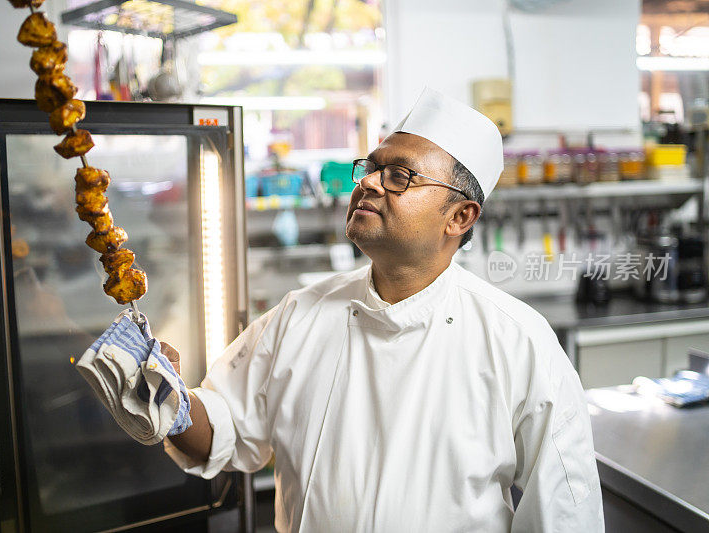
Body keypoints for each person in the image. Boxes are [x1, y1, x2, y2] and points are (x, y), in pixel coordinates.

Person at [162, 87, 604, 532]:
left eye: (400, 176)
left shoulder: (517, 339)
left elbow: (565, 513)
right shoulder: (300, 314)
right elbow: (223, 428)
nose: (369, 182)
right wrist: (166, 398)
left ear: (459, 217)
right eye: (371, 168)